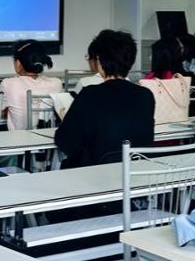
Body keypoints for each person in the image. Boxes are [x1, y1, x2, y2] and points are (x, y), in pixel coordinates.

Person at [55, 30, 154, 167]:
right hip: (136, 172)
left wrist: (66, 120)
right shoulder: (145, 95)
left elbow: (66, 144)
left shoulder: (90, 94)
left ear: (99, 61)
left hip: (97, 174)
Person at [0, 39, 63, 131]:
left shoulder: (8, 84)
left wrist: (6, 110)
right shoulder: (57, 83)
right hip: (48, 137)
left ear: (18, 64)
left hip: (18, 139)